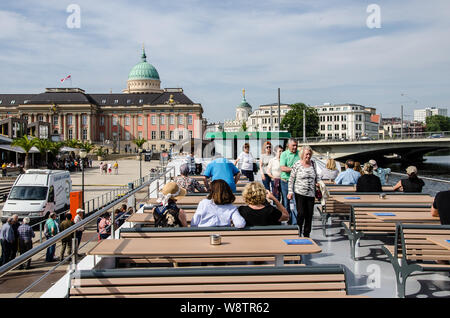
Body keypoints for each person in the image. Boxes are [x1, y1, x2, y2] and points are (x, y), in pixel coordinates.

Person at [287, 145, 318, 237]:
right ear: (302, 155)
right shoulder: (297, 164)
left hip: (311, 193)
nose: (308, 156)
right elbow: (291, 179)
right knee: (301, 213)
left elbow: (317, 176)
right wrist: (290, 191)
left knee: (309, 214)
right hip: (299, 192)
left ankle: (307, 233)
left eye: (309, 154)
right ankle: (299, 229)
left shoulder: (313, 163)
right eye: (306, 154)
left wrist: (319, 182)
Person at [280, 138, 300, 225]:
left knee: (296, 203)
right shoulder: (284, 154)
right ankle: (288, 220)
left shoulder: (300, 154)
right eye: (293, 145)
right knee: (286, 202)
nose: (295, 147)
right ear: (288, 146)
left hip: (296, 182)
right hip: (285, 181)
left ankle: (295, 223)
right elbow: (283, 168)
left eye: (296, 145)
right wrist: (294, 169)